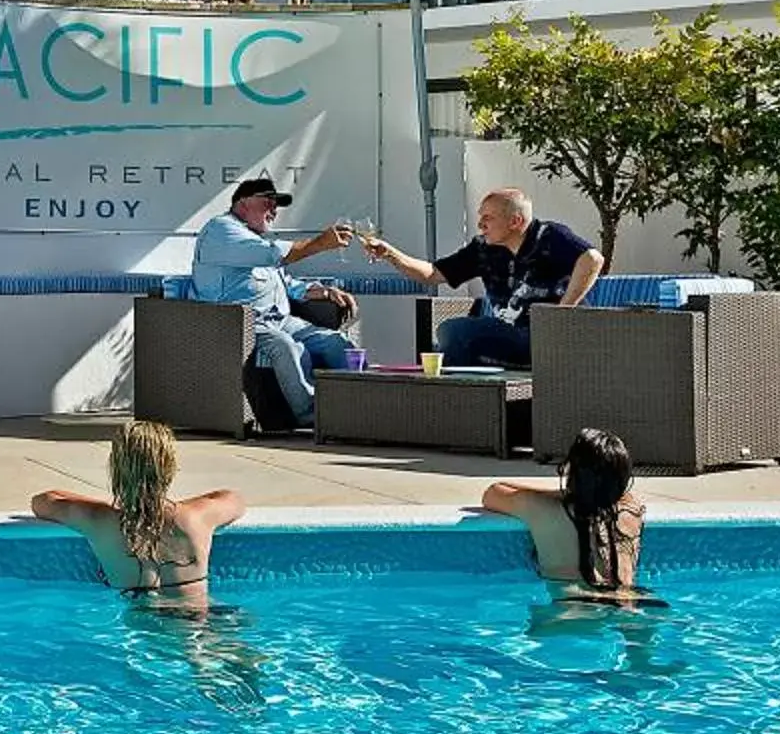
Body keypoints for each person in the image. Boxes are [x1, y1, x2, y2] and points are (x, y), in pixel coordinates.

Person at [360, 188, 603, 368]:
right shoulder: (483, 249)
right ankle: (474, 405)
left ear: (515, 221)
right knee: (451, 331)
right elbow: (432, 274)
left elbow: (592, 259)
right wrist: (389, 254)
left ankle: (464, 405)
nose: (480, 224)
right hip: (510, 335)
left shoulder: (548, 236)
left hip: (554, 338)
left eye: (488, 218)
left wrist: (562, 312)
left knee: (456, 333)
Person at [189, 176, 359, 428]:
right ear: (243, 203)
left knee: (337, 343)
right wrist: (322, 243)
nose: (274, 210)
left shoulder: (254, 237)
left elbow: (285, 283)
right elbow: (273, 256)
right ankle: (311, 414)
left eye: (276, 205)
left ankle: (359, 405)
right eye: (268, 202)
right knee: (287, 347)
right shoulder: (220, 230)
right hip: (239, 324)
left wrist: (322, 292)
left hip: (280, 320)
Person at [31, 419, 247, 611]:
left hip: (145, 625)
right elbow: (234, 500)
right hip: (205, 617)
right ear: (169, 468)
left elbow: (42, 501)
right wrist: (179, 506)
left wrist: (106, 507)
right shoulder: (196, 516)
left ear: (116, 468)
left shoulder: (98, 520)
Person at [482, 427, 653, 602]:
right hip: (628, 601)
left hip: (570, 612)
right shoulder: (632, 511)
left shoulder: (540, 508)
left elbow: (493, 493)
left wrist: (567, 492)